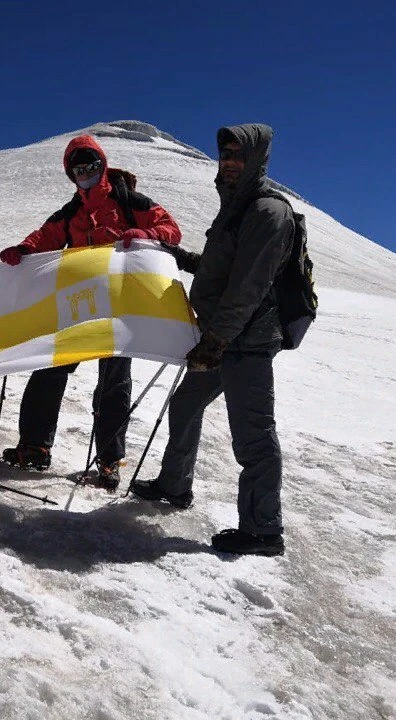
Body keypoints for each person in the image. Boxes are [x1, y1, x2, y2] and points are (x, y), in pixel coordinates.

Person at [131, 124, 293, 557]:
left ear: (257, 160)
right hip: (223, 338)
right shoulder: (236, 209)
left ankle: (262, 530)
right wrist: (178, 257)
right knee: (185, 405)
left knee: (253, 434)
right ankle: (174, 486)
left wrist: (216, 340)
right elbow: (221, 267)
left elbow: (249, 285)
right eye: (226, 154)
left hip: (247, 342)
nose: (231, 161)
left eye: (240, 155)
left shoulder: (267, 212)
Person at [0, 135, 182, 490]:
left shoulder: (131, 202)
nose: (86, 173)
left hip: (121, 308)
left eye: (91, 166)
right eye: (78, 169)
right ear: (71, 174)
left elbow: (171, 231)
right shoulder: (72, 211)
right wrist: (23, 250)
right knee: (49, 371)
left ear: (103, 164)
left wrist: (145, 232)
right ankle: (35, 446)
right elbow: (45, 237)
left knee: (113, 385)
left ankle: (109, 463)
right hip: (79, 305)